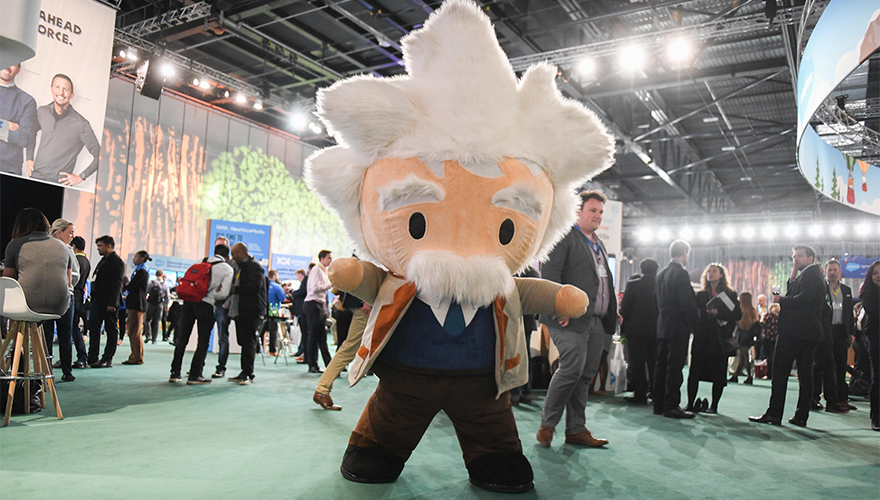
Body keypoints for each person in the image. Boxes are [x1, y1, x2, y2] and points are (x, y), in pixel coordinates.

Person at [537, 190, 616, 447]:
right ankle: (547, 425)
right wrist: (559, 308)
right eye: (593, 210)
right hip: (567, 318)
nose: (598, 216)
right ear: (578, 212)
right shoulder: (563, 237)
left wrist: (611, 311)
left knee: (585, 375)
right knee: (571, 368)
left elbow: (602, 282)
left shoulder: (598, 244)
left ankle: (576, 429)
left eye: (600, 212)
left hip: (596, 320)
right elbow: (550, 275)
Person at [750, 245, 825, 427]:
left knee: (780, 372)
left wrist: (781, 300)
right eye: (794, 257)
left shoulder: (810, 275)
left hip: (795, 332)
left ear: (810, 258)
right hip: (807, 333)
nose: (795, 259)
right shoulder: (810, 274)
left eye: (800, 256)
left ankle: (774, 414)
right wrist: (793, 274)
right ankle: (800, 416)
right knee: (805, 375)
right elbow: (798, 293)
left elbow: (804, 299)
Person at [3, 211, 75, 380]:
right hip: (60, 306)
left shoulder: (15, 244)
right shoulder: (63, 247)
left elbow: (9, 280)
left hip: (27, 306)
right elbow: (68, 281)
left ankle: (15, 362)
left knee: (14, 308)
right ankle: (42, 374)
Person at [170, 245, 233, 384]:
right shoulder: (227, 269)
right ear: (227, 256)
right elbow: (224, 293)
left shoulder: (200, 261)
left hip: (189, 302)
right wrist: (210, 296)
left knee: (182, 338)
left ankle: (175, 373)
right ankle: (195, 375)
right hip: (206, 305)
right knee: (203, 340)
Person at [686, 264, 741, 414]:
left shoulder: (729, 294)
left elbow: (737, 315)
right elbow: (693, 314)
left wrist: (719, 313)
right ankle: (690, 403)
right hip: (702, 337)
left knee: (719, 373)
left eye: (714, 271)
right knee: (694, 372)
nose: (710, 273)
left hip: (719, 339)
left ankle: (714, 405)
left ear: (721, 275)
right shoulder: (701, 295)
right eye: (708, 271)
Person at [27, 74, 100, 186]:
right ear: (51, 89)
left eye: (66, 89)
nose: (61, 93)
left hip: (58, 184)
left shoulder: (81, 124)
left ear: (72, 95)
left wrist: (81, 176)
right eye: (57, 87)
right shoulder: (42, 112)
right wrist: (29, 158)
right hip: (35, 177)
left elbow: (100, 155)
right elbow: (31, 133)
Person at [653, 239, 698, 419]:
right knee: (675, 367)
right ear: (684, 253)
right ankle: (671, 405)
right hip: (678, 327)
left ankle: (658, 404)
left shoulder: (661, 274)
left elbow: (656, 300)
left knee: (661, 366)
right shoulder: (681, 273)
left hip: (662, 325)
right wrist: (695, 324)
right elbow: (687, 303)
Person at [314, 288, 371, 411]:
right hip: (364, 305)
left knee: (349, 348)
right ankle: (322, 390)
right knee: (348, 349)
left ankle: (322, 390)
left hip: (358, 304)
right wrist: (367, 301)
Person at [43, 219, 80, 381]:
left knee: (47, 334)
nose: (72, 236)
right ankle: (67, 371)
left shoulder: (43, 247)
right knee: (65, 335)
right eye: (70, 232)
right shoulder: (67, 250)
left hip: (46, 296)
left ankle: (46, 371)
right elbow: (75, 275)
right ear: (59, 232)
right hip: (65, 296)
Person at [818, 259, 856, 411]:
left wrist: (851, 332)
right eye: (830, 270)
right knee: (827, 366)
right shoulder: (821, 288)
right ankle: (828, 399)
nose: (832, 273)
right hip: (826, 331)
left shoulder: (846, 290)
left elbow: (849, 313)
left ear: (839, 272)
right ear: (826, 272)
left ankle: (842, 398)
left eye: (835, 270)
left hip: (841, 331)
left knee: (841, 366)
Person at [619, 258, 659, 405]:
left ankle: (640, 395)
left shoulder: (633, 285)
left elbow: (625, 309)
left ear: (641, 270)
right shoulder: (660, 284)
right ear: (656, 270)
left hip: (636, 331)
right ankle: (656, 393)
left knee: (637, 364)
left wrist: (623, 328)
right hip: (656, 331)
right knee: (655, 363)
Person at [228, 243, 266, 385]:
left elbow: (255, 286)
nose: (232, 258)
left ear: (239, 252)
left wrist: (235, 289)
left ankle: (248, 373)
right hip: (243, 309)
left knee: (249, 341)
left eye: (233, 254)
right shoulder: (243, 267)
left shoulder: (255, 266)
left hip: (252, 310)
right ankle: (244, 371)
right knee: (243, 341)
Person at [87, 235, 126, 368]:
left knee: (111, 330)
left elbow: (117, 284)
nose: (98, 248)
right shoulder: (104, 260)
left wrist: (112, 303)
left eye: (100, 246)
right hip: (98, 300)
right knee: (93, 327)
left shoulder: (116, 261)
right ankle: (92, 357)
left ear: (109, 246)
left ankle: (107, 358)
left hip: (109, 302)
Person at [0, 63, 38, 174]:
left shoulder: (27, 101)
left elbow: (24, 138)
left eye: (13, 63)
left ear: (18, 70)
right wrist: (7, 126)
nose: (8, 66)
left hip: (8, 168)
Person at [304, 250, 334, 374]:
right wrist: (331, 285)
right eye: (329, 258)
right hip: (312, 304)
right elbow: (315, 288)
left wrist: (325, 310)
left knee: (322, 337)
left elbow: (322, 295)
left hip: (318, 305)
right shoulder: (316, 269)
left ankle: (330, 366)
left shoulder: (323, 271)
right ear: (322, 259)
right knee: (314, 336)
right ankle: (312, 365)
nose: (331, 260)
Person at [858, 261, 879, 431]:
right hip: (876, 339)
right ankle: (876, 416)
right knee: (877, 378)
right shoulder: (868, 294)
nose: (879, 276)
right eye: (875, 273)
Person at [122, 250, 151, 365]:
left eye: (136, 257)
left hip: (137, 304)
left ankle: (136, 357)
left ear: (142, 259)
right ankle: (136, 355)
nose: (134, 259)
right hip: (136, 304)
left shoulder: (141, 272)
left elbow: (132, 286)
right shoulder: (141, 271)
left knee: (134, 331)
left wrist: (125, 285)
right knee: (134, 331)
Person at [212, 244, 235, 378]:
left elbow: (234, 287)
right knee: (203, 337)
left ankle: (221, 368)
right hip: (210, 303)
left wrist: (227, 303)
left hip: (222, 305)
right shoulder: (211, 263)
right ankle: (198, 367)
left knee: (223, 338)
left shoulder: (231, 266)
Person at [729, 292, 761, 385]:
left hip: (742, 335)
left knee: (745, 356)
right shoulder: (752, 311)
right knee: (743, 357)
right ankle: (735, 375)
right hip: (749, 336)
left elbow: (738, 323)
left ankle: (749, 377)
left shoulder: (740, 310)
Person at [70, 236, 90, 368]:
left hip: (73, 296)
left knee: (71, 329)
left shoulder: (75, 260)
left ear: (73, 246)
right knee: (74, 328)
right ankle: (82, 357)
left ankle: (81, 357)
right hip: (80, 297)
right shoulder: (87, 261)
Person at [261, 269, 286, 356]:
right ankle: (272, 350)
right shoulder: (277, 287)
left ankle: (258, 349)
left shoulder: (263, 285)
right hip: (274, 309)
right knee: (273, 330)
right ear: (274, 276)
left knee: (261, 329)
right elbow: (282, 298)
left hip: (263, 309)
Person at [291, 267, 310, 363]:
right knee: (304, 334)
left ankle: (306, 355)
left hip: (303, 311)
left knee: (306, 334)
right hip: (302, 311)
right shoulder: (305, 282)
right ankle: (302, 352)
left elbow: (302, 292)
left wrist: (293, 293)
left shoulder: (305, 281)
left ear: (300, 275)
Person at [144, 270, 168, 344]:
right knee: (157, 321)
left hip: (150, 303)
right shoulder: (165, 284)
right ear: (162, 275)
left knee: (147, 320)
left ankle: (148, 335)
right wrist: (166, 306)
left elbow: (146, 291)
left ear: (155, 274)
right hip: (160, 304)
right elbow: (167, 296)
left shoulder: (151, 283)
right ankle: (154, 339)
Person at [759, 303, 780, 378]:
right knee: (775, 355)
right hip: (776, 338)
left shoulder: (767, 315)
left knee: (768, 356)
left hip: (766, 338)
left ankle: (769, 373)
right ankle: (776, 373)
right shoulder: (779, 317)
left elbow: (761, 323)